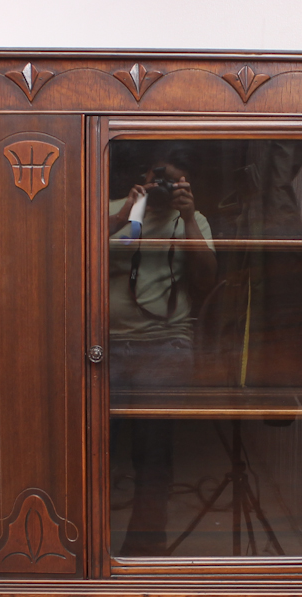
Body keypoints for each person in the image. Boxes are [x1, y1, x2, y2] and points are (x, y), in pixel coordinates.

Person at [108, 143, 216, 557]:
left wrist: (187, 218)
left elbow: (206, 279)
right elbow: (73, 254)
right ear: (144, 177)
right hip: (106, 347)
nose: (162, 188)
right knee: (94, 447)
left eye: (172, 182)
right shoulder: (116, 210)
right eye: (158, 178)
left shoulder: (193, 220)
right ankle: (93, 546)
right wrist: (124, 215)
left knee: (152, 451)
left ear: (186, 185)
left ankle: (145, 547)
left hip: (166, 345)